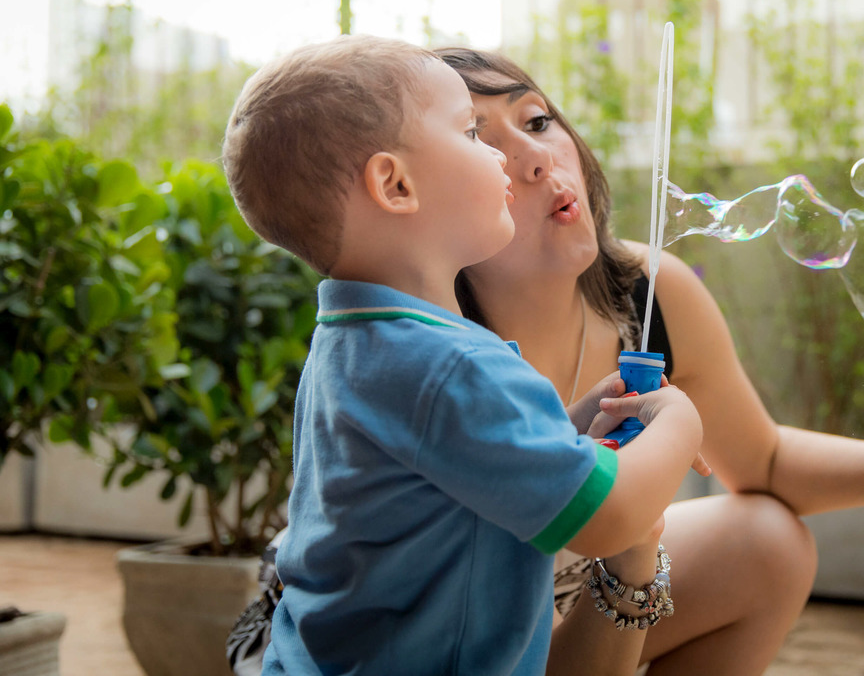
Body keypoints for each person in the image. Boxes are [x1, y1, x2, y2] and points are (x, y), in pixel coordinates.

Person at [437, 46, 864, 672]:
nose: (537, 157)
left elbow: (762, 462)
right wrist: (630, 554)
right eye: (479, 141)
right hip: (468, 637)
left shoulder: (650, 294)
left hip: (588, 591)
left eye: (537, 120)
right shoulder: (438, 358)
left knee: (767, 543)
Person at [221, 34, 707, 675]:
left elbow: (449, 481)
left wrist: (565, 425)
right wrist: (681, 421)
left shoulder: (359, 344)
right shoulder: (449, 366)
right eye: (473, 133)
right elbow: (607, 522)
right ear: (395, 185)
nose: (505, 159)